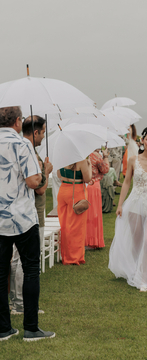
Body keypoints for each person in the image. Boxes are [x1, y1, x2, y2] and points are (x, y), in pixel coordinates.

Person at [0, 106, 55, 341]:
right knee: (31, 270)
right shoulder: (22, 144)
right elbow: (34, 182)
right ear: (18, 121)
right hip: (22, 218)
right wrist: (44, 171)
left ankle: (3, 329)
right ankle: (31, 328)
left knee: (1, 274)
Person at [108, 126, 147, 292]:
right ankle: (135, 268)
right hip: (135, 203)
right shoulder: (132, 160)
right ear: (142, 140)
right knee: (137, 242)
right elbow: (127, 182)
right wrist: (121, 203)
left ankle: (144, 278)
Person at [9, 116, 53, 315]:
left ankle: (18, 301)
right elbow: (40, 189)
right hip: (30, 213)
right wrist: (47, 171)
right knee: (24, 262)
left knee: (18, 260)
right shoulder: (28, 152)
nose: (43, 136)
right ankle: (20, 304)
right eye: (43, 132)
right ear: (35, 132)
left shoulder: (22, 148)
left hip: (21, 213)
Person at [57, 159, 92, 265]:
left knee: (64, 224)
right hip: (76, 192)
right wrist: (89, 165)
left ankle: (65, 255)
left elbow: (59, 175)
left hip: (63, 190)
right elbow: (87, 179)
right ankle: (74, 257)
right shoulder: (82, 161)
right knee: (76, 226)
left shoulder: (61, 158)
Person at [85, 149, 109, 248]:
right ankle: (93, 241)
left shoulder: (83, 154)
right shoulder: (96, 155)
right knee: (94, 214)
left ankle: (85, 240)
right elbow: (105, 169)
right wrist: (106, 156)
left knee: (86, 214)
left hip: (84, 185)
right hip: (94, 186)